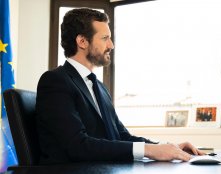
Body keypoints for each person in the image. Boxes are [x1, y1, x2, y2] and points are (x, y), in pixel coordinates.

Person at [35, 8, 204, 165]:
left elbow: (120, 136)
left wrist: (166, 147)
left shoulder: (98, 86)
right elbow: (77, 146)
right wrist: (149, 151)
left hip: (101, 169)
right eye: (105, 38)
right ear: (82, 41)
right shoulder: (55, 81)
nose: (111, 45)